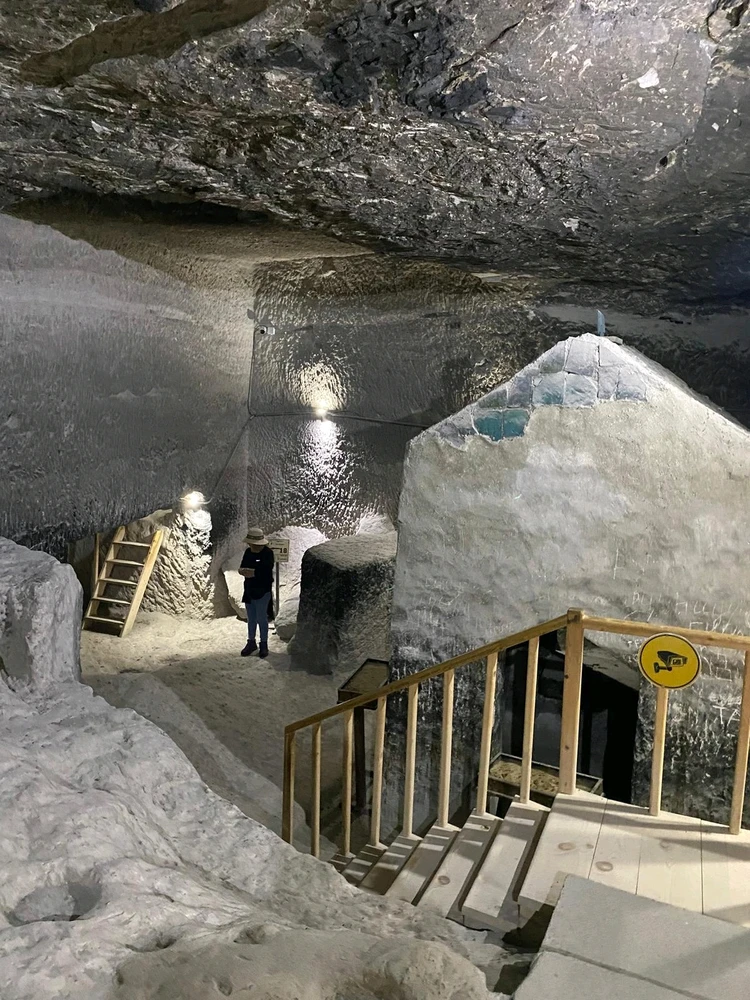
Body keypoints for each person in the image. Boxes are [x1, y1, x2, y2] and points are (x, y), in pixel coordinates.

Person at [239, 527, 274, 658]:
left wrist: (254, 572)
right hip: (249, 589)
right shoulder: (248, 552)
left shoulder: (268, 553)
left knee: (261, 618)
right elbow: (243, 565)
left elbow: (267, 570)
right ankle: (251, 642)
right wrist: (242, 571)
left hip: (262, 590)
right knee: (251, 618)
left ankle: (264, 644)